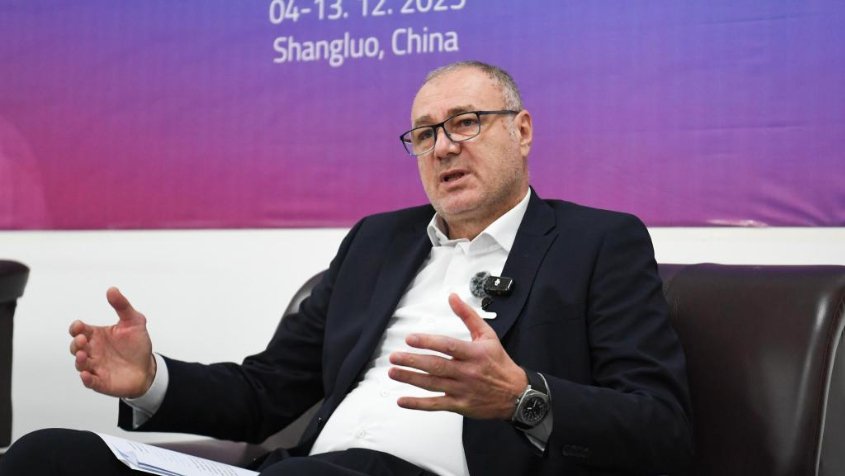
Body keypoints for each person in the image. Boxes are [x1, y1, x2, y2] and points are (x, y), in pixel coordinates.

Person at [0, 61, 693, 476]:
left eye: (466, 122)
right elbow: (267, 392)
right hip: (307, 472)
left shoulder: (598, 243)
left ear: (522, 130)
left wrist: (520, 397)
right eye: (424, 134)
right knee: (48, 455)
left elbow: (660, 428)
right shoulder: (376, 243)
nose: (443, 147)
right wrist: (152, 379)